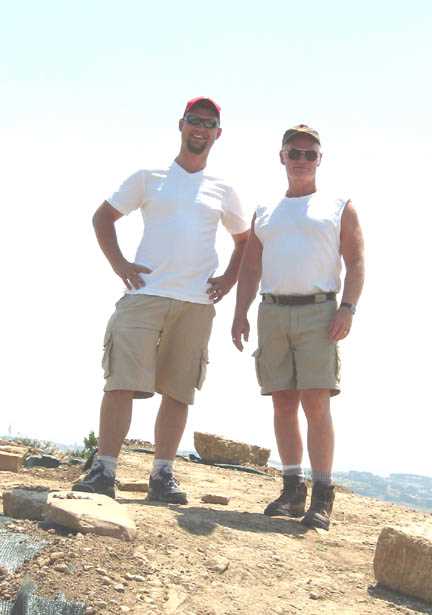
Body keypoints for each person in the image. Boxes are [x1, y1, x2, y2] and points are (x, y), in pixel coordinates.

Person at [73, 97, 250, 503]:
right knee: (120, 382)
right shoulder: (147, 177)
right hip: (144, 296)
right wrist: (120, 264)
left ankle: (162, 475)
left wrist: (228, 279)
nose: (200, 129)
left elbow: (244, 240)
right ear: (181, 125)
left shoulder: (224, 190)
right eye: (194, 121)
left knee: (178, 390)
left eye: (208, 124)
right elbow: (103, 217)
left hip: (195, 303)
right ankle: (104, 470)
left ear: (217, 134)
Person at [231, 125, 364, 530]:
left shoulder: (340, 205)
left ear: (320, 159)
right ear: (282, 157)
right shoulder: (266, 210)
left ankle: (322, 496)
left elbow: (356, 262)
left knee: (316, 402)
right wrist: (240, 313)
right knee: (282, 402)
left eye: (310, 154)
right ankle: (292, 490)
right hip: (272, 311)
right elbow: (250, 266)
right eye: (295, 153)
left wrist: (348, 308)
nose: (301, 160)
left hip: (319, 312)